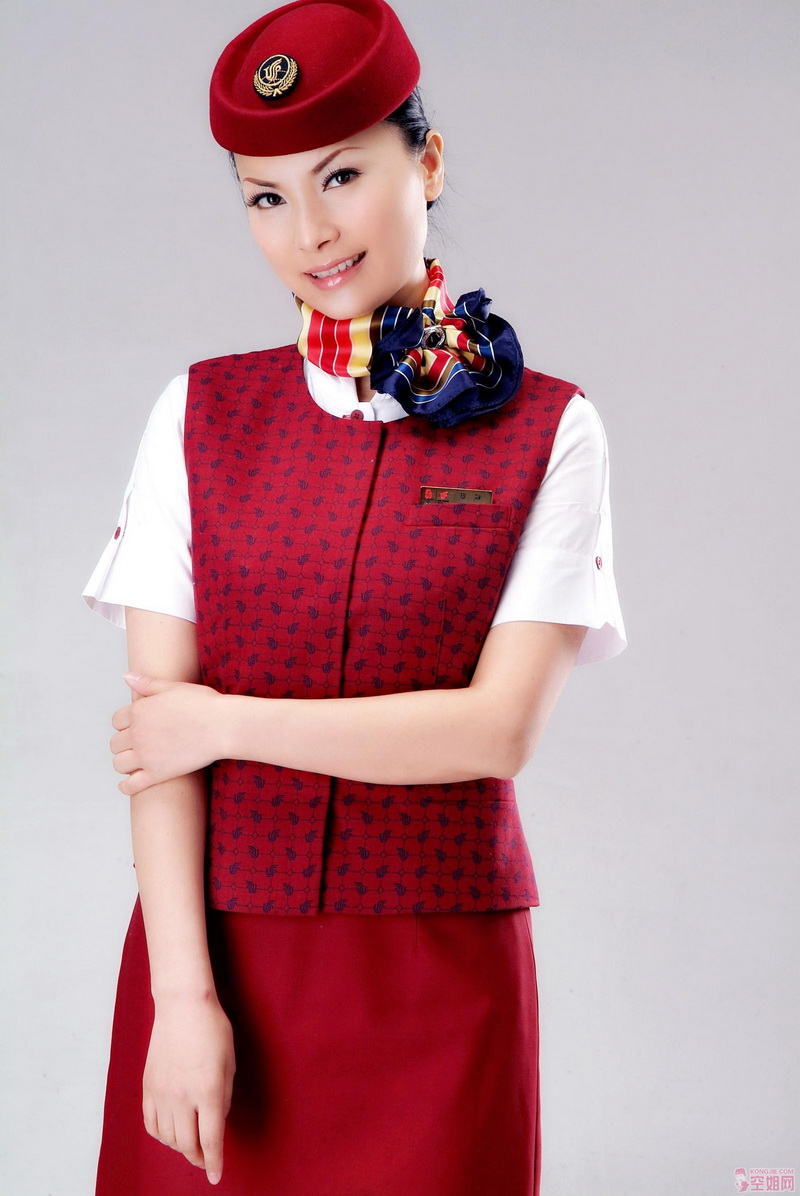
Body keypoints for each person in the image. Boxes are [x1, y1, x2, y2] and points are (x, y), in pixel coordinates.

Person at [81, 0, 627, 1192]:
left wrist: (225, 721)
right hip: (214, 967)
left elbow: (494, 730)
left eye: (340, 176)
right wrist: (182, 998)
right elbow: (156, 746)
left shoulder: (552, 430)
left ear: (425, 162)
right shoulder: (197, 414)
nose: (310, 232)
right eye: (265, 198)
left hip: (439, 982)